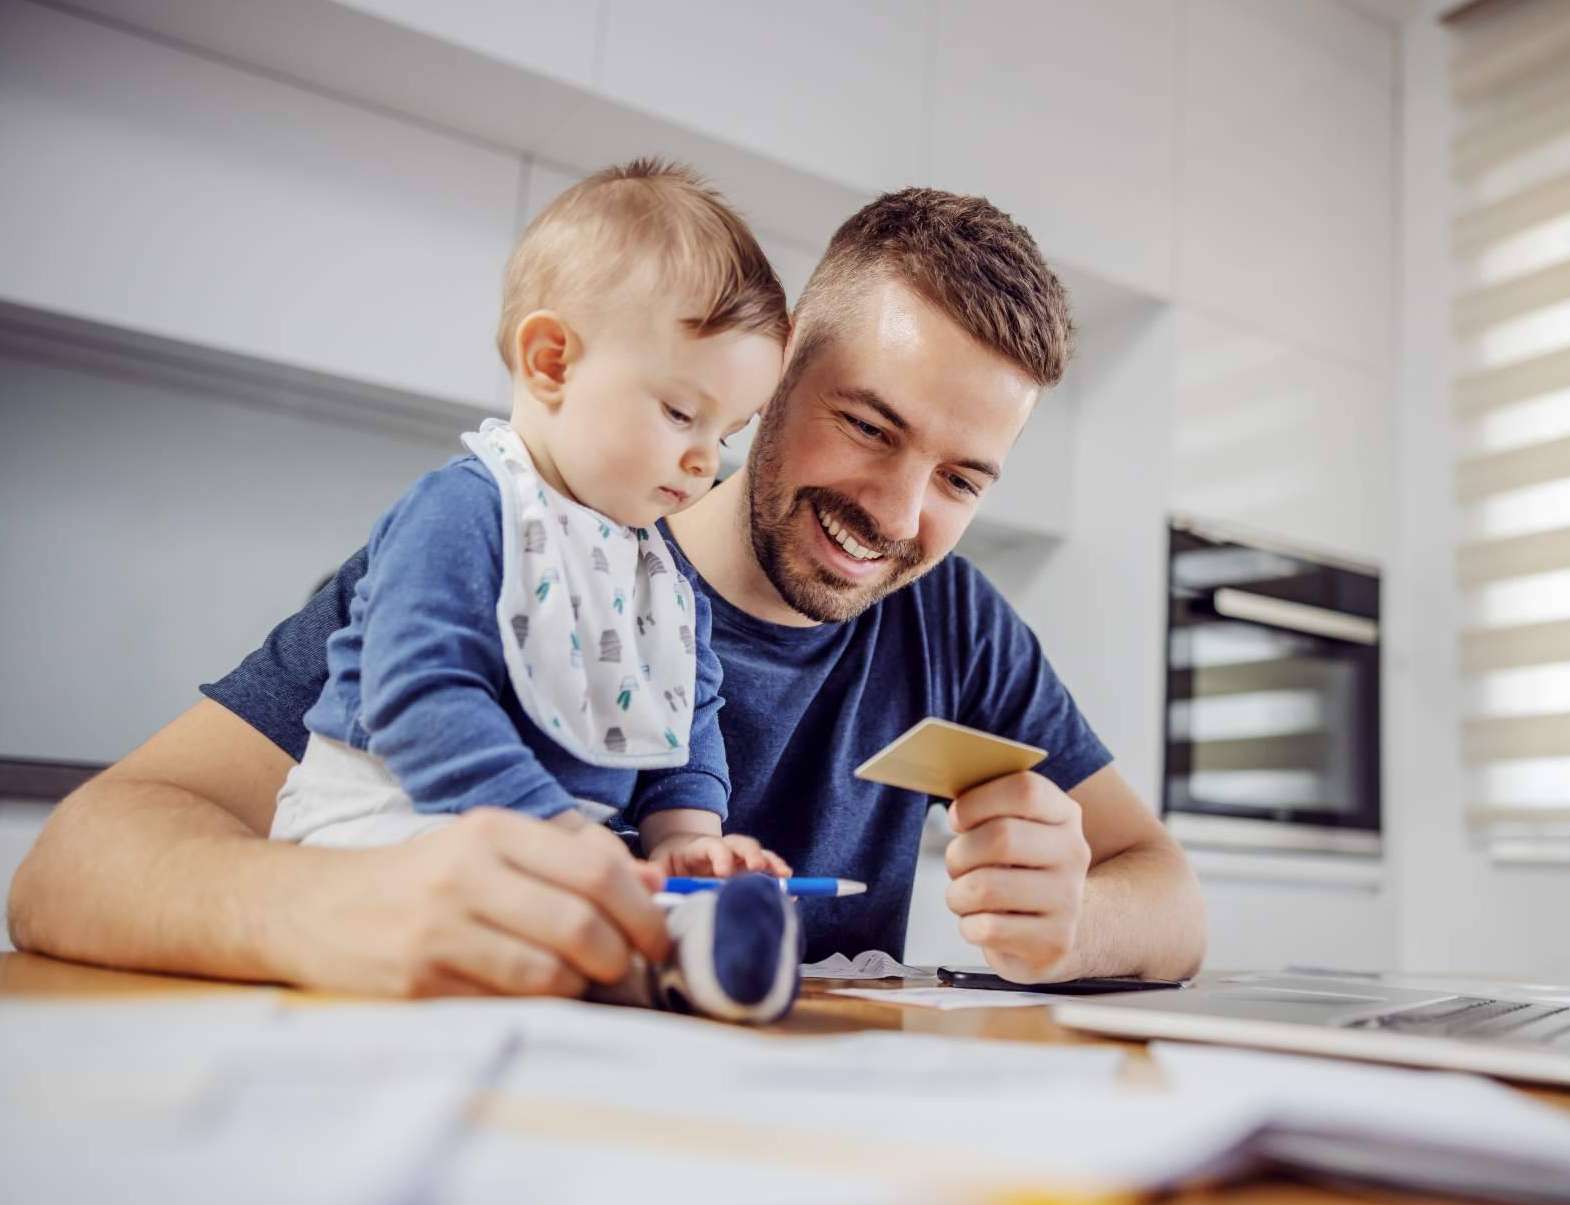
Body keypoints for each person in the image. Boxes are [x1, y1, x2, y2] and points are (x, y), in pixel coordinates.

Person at [9, 184, 1206, 997]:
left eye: (961, 477)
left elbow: (1169, 895)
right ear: (772, 373)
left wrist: (1072, 920)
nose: (898, 515)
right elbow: (72, 866)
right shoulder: (500, 545)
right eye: (868, 426)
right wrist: (325, 908)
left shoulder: (956, 628)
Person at [256, 159, 799, 1020]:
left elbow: (682, 725)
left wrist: (689, 843)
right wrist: (556, 833)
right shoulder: (466, 511)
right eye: (680, 414)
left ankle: (689, 957)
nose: (708, 461)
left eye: (726, 433)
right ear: (551, 362)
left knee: (583, 933)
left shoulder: (660, 574)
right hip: (382, 837)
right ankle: (665, 962)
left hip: (547, 852)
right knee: (516, 927)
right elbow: (419, 699)